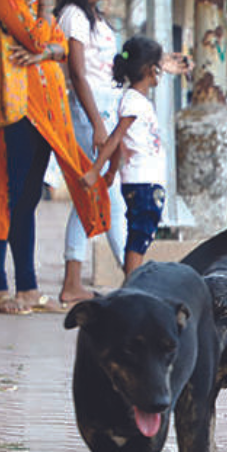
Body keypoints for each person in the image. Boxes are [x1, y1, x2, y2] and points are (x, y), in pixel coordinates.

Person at [0, 0, 109, 315]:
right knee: (5, 195)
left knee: (29, 198)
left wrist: (46, 47)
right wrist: (46, 18)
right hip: (9, 108)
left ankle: (28, 288)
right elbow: (35, 38)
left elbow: (58, 45)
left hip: (41, 112)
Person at [54, 0, 126, 305]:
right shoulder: (73, 16)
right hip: (89, 113)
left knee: (95, 195)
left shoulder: (94, 16)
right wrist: (98, 125)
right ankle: (135, 276)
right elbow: (78, 75)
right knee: (107, 196)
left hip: (106, 110)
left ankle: (74, 281)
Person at [85, 36, 169, 276]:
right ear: (148, 69)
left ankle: (131, 285)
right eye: (157, 65)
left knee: (141, 234)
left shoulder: (138, 101)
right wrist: (96, 170)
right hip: (143, 181)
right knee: (139, 234)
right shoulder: (133, 101)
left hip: (145, 179)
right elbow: (114, 138)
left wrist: (111, 171)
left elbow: (119, 142)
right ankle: (131, 286)